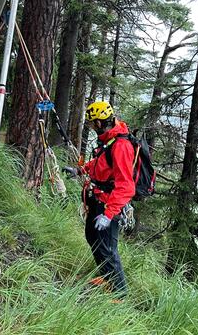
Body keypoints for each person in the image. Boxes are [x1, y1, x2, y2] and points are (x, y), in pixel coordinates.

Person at [71, 101, 135, 296]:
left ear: (99, 122)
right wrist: (80, 170)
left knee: (107, 248)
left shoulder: (121, 146)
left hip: (108, 204)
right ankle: (107, 277)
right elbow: (101, 163)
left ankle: (119, 294)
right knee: (93, 237)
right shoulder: (110, 139)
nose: (92, 127)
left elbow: (126, 186)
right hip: (98, 199)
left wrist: (108, 214)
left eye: (92, 124)